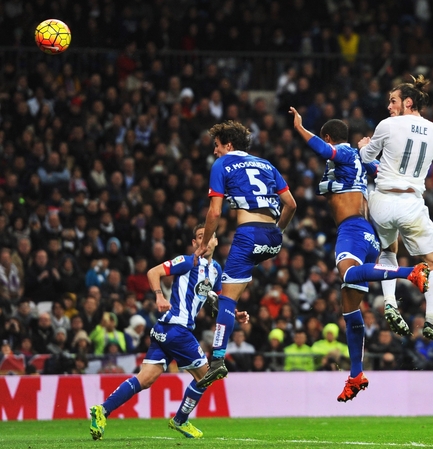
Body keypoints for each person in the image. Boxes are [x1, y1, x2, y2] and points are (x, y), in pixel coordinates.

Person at [289, 107, 429, 401]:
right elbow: (383, 174)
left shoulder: (345, 152)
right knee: (350, 309)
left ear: (330, 136)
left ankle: (409, 273)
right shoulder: (362, 161)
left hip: (352, 229)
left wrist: (300, 128)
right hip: (367, 232)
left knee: (348, 273)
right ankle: (355, 374)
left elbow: (322, 148)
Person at [89, 224, 249, 440]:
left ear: (216, 240)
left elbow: (218, 299)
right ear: (195, 243)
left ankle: (102, 410)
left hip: (165, 330)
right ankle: (180, 420)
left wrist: (234, 313)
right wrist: (159, 295)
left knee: (145, 379)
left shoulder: (216, 270)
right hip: (177, 329)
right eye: (200, 237)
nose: (205, 240)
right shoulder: (187, 261)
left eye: (208, 236)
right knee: (207, 375)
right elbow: (153, 272)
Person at [194, 120, 297, 388]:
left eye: (217, 146)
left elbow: (215, 212)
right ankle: (224, 306)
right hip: (272, 239)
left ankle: (216, 359)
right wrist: (278, 232)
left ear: (228, 145)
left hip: (248, 234)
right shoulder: (266, 164)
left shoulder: (222, 164)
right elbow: (291, 204)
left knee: (225, 301)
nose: (215, 152)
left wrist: (204, 243)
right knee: (228, 297)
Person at [358, 75, 433, 352]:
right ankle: (432, 321)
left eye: (393, 100)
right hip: (412, 202)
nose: (389, 106)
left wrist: (364, 146)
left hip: (383, 201)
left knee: (388, 251)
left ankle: (389, 304)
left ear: (408, 102)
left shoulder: (387, 125)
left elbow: (366, 159)